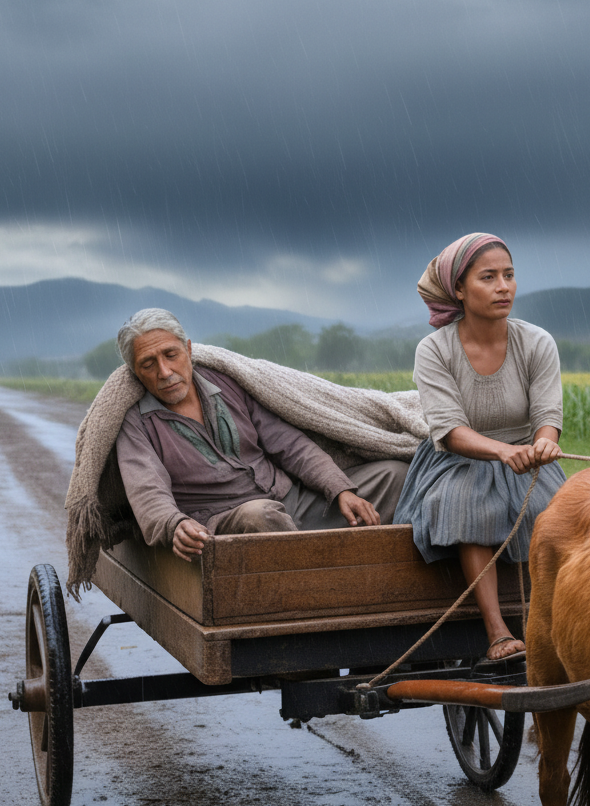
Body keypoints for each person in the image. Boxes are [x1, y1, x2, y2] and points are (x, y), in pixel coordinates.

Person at [115, 309, 408, 561]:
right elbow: (146, 489)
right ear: (135, 371)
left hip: (291, 500)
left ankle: (366, 566)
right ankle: (319, 587)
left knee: (394, 475)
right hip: (227, 522)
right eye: (148, 364)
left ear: (188, 350)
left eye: (171, 355)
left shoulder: (226, 383)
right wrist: (174, 524)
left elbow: (290, 445)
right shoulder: (135, 421)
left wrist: (340, 489)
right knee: (261, 515)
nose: (165, 372)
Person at [394, 233, 566, 660]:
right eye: (488, 277)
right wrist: (502, 452)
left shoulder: (537, 342)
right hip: (454, 461)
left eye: (508, 275)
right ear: (458, 290)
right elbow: (449, 430)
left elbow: (548, 417)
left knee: (565, 514)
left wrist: (543, 445)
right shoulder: (434, 349)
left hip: (527, 460)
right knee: (468, 504)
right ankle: (497, 631)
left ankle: (559, 622)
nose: (503, 286)